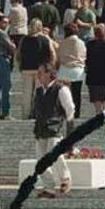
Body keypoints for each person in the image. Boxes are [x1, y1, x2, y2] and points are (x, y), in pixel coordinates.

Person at [33, 64, 74, 199]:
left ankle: (66, 179)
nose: (39, 75)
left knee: (54, 153)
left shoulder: (61, 89)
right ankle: (49, 188)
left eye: (41, 72)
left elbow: (70, 109)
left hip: (55, 127)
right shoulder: (39, 91)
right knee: (41, 161)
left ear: (49, 73)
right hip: (40, 129)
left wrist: (68, 128)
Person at [57, 23, 86, 119]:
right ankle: (76, 113)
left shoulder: (63, 43)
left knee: (64, 93)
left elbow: (59, 56)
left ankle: (65, 112)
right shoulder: (81, 43)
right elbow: (84, 56)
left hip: (65, 70)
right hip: (77, 70)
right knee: (76, 93)